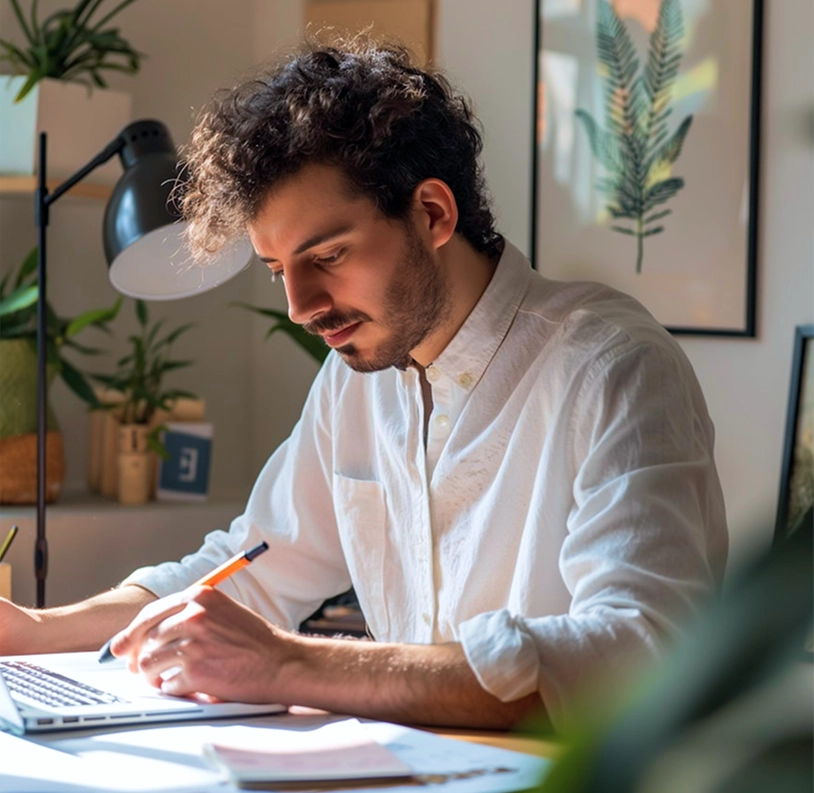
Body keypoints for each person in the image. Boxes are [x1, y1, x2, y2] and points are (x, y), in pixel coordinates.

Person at [0, 40, 728, 731]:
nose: (300, 306)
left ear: (433, 213)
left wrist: (289, 664)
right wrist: (34, 630)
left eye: (328, 255)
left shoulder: (612, 366)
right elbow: (248, 564)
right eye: (279, 270)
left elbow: (634, 653)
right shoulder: (358, 381)